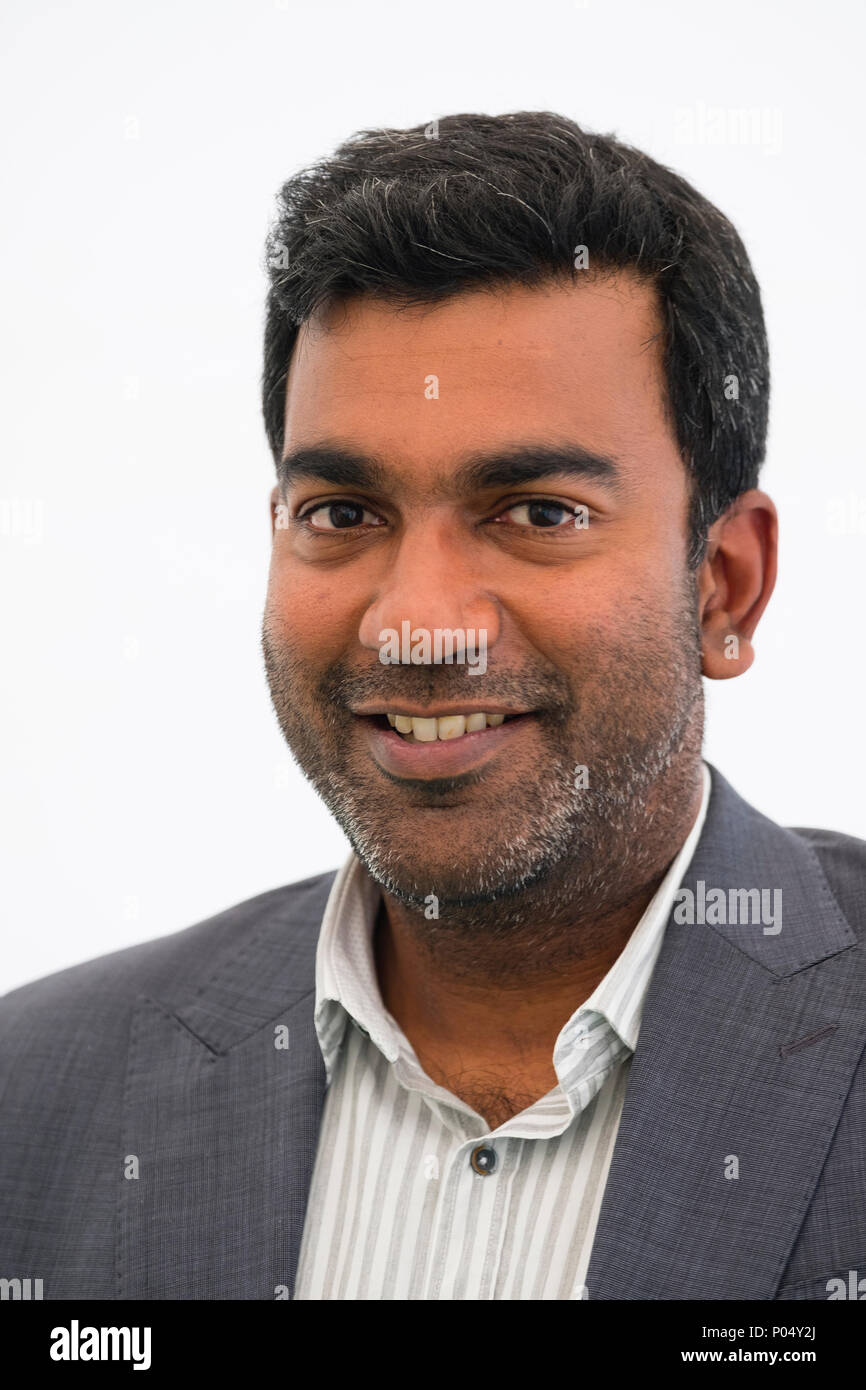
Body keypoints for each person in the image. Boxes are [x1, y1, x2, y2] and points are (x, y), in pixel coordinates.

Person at [2, 111, 865, 1302]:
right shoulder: (33, 1097)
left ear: (725, 583)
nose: (420, 624)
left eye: (537, 511)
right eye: (343, 513)